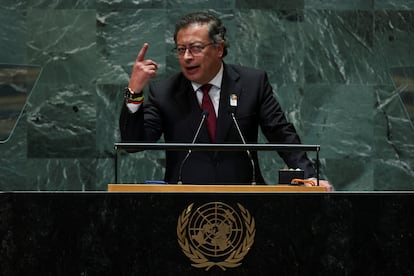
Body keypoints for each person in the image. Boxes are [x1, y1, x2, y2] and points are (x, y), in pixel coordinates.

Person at [119, 11, 332, 190]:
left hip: (246, 198)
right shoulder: (164, 91)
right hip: (183, 203)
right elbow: (133, 144)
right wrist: (134, 91)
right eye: (181, 49)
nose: (186, 57)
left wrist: (310, 176)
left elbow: (280, 133)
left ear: (219, 49)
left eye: (195, 48)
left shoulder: (252, 83)